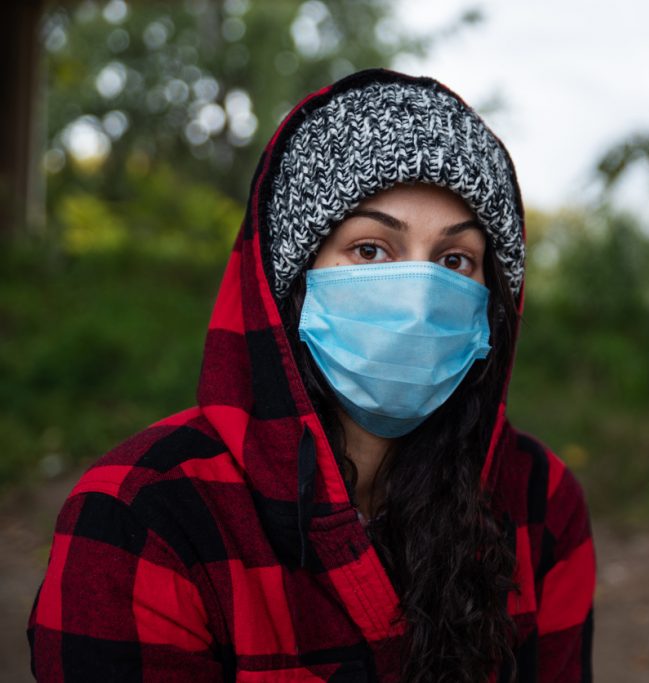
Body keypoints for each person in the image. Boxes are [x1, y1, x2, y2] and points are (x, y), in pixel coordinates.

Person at [27, 68, 595, 682]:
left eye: (456, 260)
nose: (418, 300)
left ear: (492, 310)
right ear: (291, 285)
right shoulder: (140, 520)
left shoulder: (540, 502)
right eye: (371, 249)